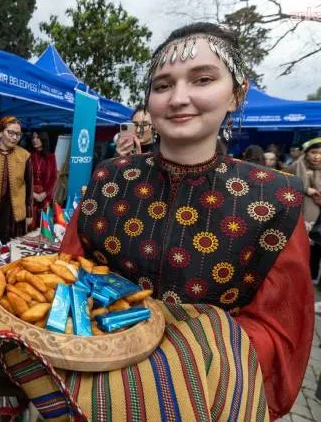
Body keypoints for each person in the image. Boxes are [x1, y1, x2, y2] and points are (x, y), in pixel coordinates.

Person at [57, 22, 311, 420]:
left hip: (207, 400)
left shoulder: (275, 199)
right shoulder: (109, 179)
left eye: (203, 79)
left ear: (236, 94)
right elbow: (64, 278)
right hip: (96, 385)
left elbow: (279, 334)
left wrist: (177, 361)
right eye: (162, 86)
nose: (178, 98)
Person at [0, 116, 32, 243]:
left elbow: (30, 185)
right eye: (11, 133)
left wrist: (29, 214)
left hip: (16, 212)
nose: (15, 138)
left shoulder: (25, 155)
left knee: (15, 246)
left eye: (18, 134)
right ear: (1, 132)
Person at [296, 137, 321, 283]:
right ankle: (305, 277)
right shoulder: (298, 166)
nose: (317, 156)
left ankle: (313, 277)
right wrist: (306, 189)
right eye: (313, 152)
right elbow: (289, 185)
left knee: (318, 246)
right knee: (305, 246)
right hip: (304, 213)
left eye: (320, 153)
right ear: (306, 153)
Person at [26, 132, 57, 229]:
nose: (34, 140)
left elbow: (53, 177)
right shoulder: (28, 156)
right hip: (31, 196)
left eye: (38, 137)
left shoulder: (51, 157)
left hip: (45, 197)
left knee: (45, 225)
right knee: (31, 226)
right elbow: (24, 177)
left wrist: (44, 194)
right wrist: (33, 194)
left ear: (44, 139)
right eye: (33, 137)